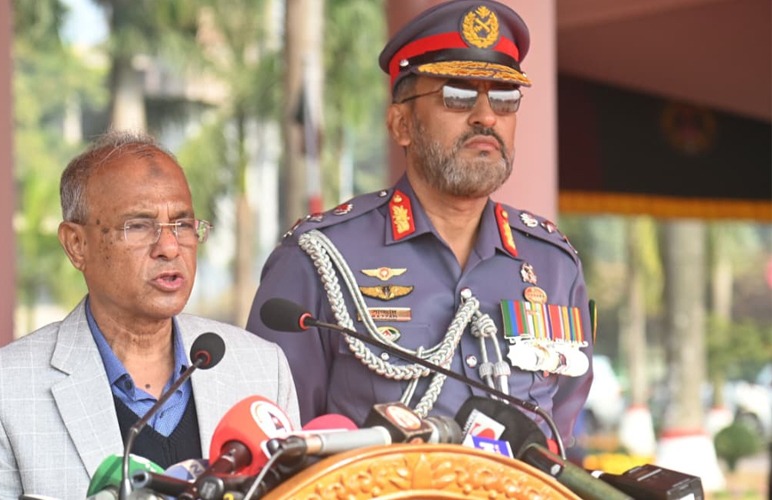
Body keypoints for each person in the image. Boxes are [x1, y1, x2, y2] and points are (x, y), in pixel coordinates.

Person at [247, 0, 594, 447]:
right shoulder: (320, 258)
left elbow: (557, 431)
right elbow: (275, 436)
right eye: (457, 96)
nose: (486, 116)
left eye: (505, 98)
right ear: (402, 124)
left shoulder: (553, 265)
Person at [0, 131, 300, 498]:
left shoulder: (260, 369)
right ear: (77, 245)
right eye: (138, 225)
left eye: (183, 225)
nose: (169, 247)